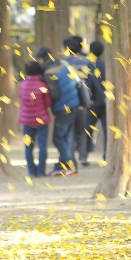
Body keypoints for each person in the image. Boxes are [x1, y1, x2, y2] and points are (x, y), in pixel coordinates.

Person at [36, 45, 84, 177]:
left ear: (42, 60)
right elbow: (77, 82)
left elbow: (55, 94)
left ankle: (71, 166)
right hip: (74, 105)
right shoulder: (64, 63)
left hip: (63, 108)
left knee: (57, 138)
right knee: (66, 137)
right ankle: (61, 167)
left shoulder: (49, 72)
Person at [19, 60, 52, 177]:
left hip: (27, 120)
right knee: (42, 145)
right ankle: (41, 171)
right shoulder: (43, 86)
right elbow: (48, 102)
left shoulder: (22, 85)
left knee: (28, 146)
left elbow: (21, 99)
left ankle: (31, 171)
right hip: (41, 119)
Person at [63, 36, 93, 166]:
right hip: (84, 100)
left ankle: (70, 158)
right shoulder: (85, 62)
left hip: (69, 101)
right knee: (82, 130)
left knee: (69, 130)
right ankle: (83, 157)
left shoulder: (65, 64)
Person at [87, 40, 108, 161]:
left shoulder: (89, 65)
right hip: (106, 102)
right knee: (106, 131)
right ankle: (106, 154)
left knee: (86, 127)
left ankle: (83, 155)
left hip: (94, 103)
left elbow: (88, 84)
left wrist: (91, 98)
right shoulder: (105, 65)